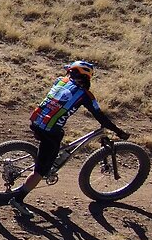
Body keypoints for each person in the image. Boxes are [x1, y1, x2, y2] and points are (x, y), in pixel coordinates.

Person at [11, 60, 128, 219]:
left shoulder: (61, 80)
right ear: (86, 77)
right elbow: (100, 116)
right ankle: (18, 199)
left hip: (37, 120)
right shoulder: (85, 95)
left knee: (58, 136)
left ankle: (51, 161)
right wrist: (118, 131)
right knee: (41, 170)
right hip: (49, 131)